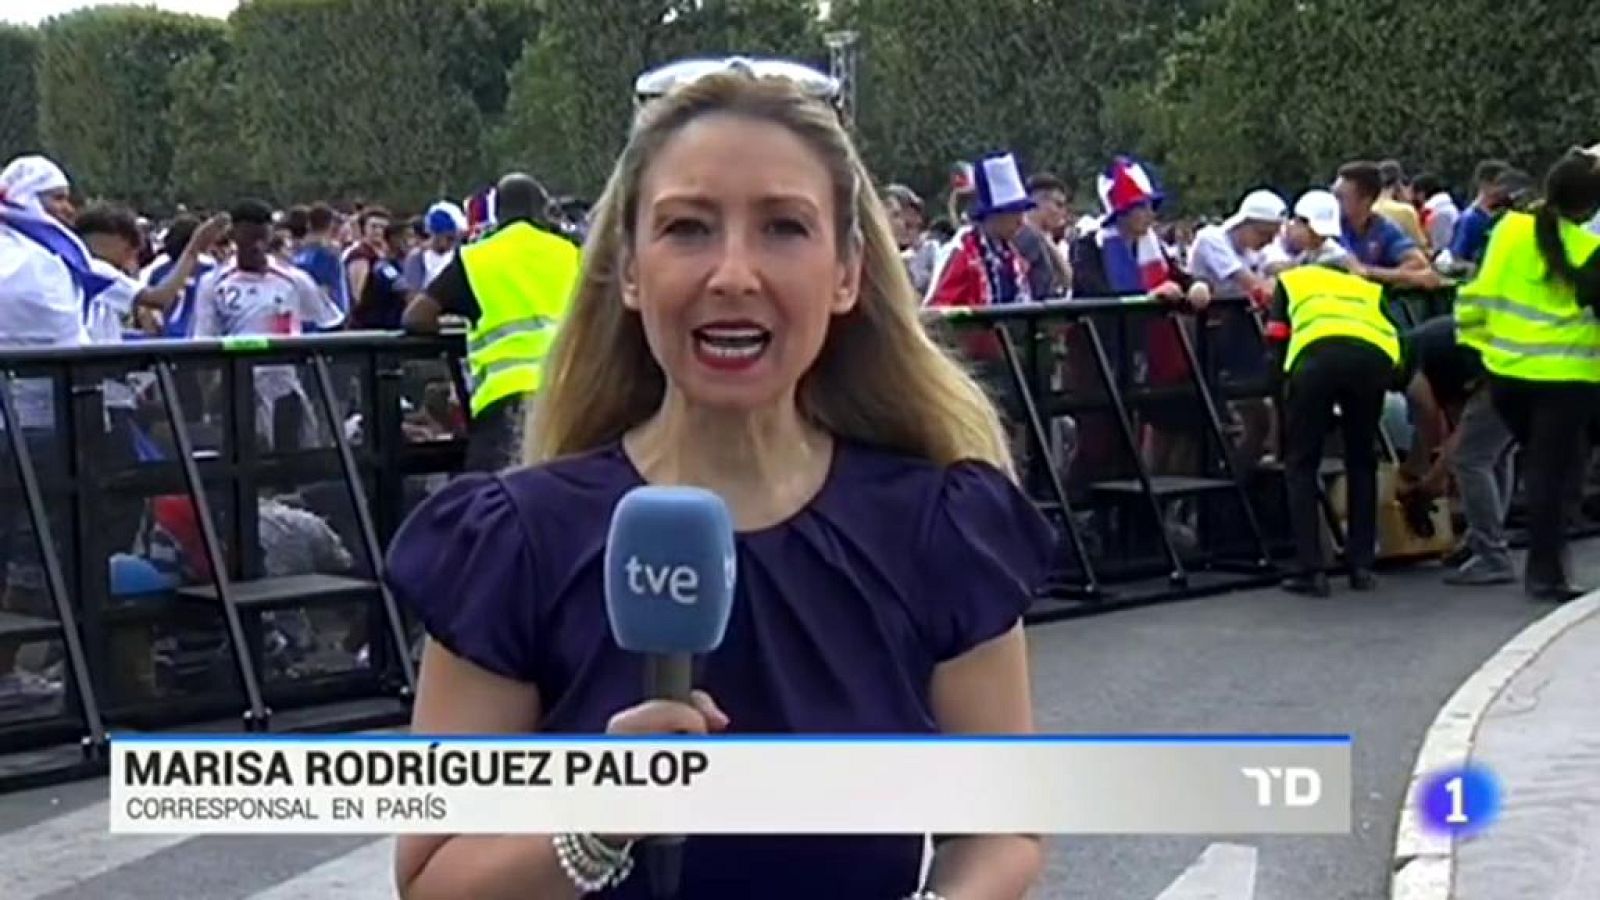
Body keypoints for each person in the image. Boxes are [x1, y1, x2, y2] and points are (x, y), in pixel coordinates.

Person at [386, 65, 1049, 900]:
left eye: (783, 228)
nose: (734, 273)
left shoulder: (942, 531)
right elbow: (433, 880)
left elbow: (1004, 831)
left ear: (847, 272)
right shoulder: (513, 545)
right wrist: (596, 818)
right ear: (629, 270)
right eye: (689, 228)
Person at [1454, 146, 1600, 602]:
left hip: (1506, 375)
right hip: (1568, 380)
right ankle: (1547, 573)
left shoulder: (1509, 231)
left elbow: (1479, 292)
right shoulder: (1590, 250)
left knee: (1534, 471)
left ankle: (1535, 566)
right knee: (1555, 481)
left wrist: (1481, 359)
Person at [1265, 212, 1404, 597]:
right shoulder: (1364, 288)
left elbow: (1276, 339)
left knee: (1301, 464)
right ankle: (1361, 565)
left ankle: (1313, 569)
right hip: (1371, 362)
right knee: (1361, 461)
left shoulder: (1292, 281)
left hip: (1315, 362)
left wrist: (1281, 403)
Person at [403, 172, 580, 472]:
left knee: (495, 502)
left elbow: (416, 317)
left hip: (503, 404)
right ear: (542, 209)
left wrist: (458, 326)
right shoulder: (571, 253)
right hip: (568, 395)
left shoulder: (475, 258)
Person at [192, 199, 345, 451]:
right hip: (237, 385)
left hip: (284, 384)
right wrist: (209, 395)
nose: (257, 247)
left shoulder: (293, 280)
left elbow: (331, 322)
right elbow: (204, 340)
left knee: (291, 457)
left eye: (262, 240)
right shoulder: (214, 283)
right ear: (235, 237)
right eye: (249, 240)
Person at [1394, 316, 1514, 585]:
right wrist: (1432, 468)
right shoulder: (1437, 359)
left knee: (1472, 460)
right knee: (1496, 456)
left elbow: (1431, 419)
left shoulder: (1410, 362)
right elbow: (1456, 423)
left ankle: (1492, 556)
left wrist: (1429, 480)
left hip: (1503, 372)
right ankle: (1481, 540)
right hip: (1524, 366)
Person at [925, 152, 1036, 307]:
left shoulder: (1010, 256)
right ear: (995, 214)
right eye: (1014, 212)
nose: (1021, 221)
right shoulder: (960, 252)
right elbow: (937, 310)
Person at [1333, 161, 1441, 290]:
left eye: (1340, 197)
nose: (1333, 201)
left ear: (1366, 200)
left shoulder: (1383, 228)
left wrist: (1368, 272)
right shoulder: (1324, 227)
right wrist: (1405, 276)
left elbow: (1418, 264)